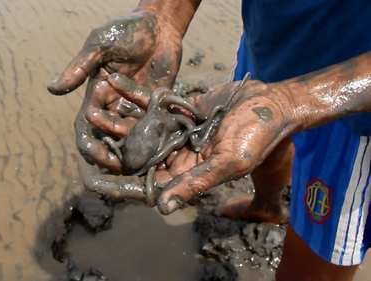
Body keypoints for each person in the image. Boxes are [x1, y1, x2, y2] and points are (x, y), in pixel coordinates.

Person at [47, 0, 371, 280]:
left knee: (304, 274)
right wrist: (164, 15)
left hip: (353, 106)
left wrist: (290, 101)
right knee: (257, 140)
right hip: (271, 40)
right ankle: (266, 205)